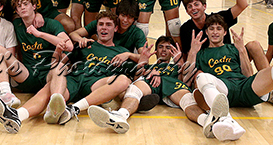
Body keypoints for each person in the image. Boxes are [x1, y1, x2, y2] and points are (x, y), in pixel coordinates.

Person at [0, 11, 135, 133]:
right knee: (56, 72)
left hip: (96, 83)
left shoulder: (121, 51)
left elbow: (137, 75)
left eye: (108, 25)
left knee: (123, 80)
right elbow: (57, 62)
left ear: (116, 29)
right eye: (100, 24)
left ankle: (74, 108)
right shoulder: (85, 45)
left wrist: (131, 55)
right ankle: (18, 115)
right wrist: (58, 50)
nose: (104, 28)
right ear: (96, 28)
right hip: (74, 78)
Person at [88, 36, 226, 136]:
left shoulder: (176, 67)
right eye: (161, 47)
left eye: (168, 47)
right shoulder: (150, 67)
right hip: (150, 83)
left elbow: (186, 80)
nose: (164, 50)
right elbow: (136, 78)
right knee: (134, 88)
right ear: (156, 50)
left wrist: (180, 61)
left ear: (172, 51)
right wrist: (142, 62)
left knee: (188, 99)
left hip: (172, 84)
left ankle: (206, 122)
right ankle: (120, 116)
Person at [71, 0, 146, 54]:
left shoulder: (137, 33)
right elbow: (73, 34)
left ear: (134, 19)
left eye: (130, 17)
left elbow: (144, 55)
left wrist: (128, 55)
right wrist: (81, 39)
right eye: (123, 15)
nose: (125, 20)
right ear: (118, 14)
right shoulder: (103, 23)